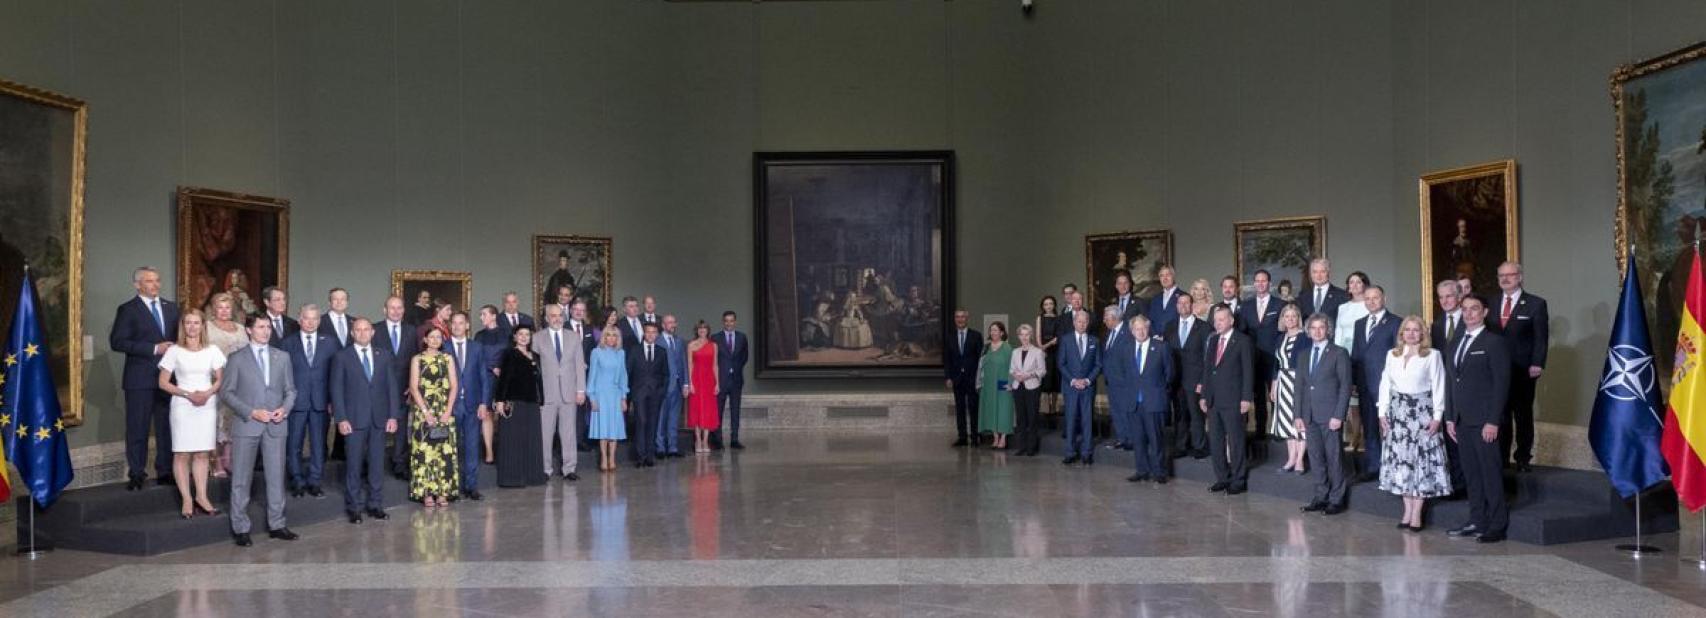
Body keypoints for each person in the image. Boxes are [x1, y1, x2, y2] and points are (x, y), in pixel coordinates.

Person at [219, 314, 298, 546]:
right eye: (261, 327)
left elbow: (291, 390)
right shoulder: (237, 359)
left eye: (269, 327)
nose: (266, 331)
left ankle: (277, 524)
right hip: (247, 424)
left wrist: (284, 409)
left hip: (276, 425)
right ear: (249, 330)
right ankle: (241, 528)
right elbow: (226, 393)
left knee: (276, 477)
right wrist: (251, 411)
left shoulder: (282, 357)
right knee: (242, 479)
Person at [1445, 295, 1511, 543]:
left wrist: (1493, 420)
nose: (1469, 314)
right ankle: (1477, 520)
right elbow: (1452, 382)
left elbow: (1501, 385)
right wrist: (1450, 417)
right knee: (1471, 474)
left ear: (1484, 312)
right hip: (1461, 421)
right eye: (1465, 310)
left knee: (1490, 473)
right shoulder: (1455, 343)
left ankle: (1496, 524)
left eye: (1474, 309)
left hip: (1484, 421)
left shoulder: (1494, 343)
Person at [1378, 316, 1452, 531]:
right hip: (1398, 414)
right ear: (1401, 334)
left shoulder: (1432, 355)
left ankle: (1417, 514)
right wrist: (1382, 412)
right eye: (1407, 330)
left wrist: (1437, 416)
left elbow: (1439, 386)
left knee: (1420, 463)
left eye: (1416, 330)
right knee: (1402, 463)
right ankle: (1407, 511)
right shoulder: (1392, 355)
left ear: (1423, 333)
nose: (1411, 334)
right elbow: (1385, 384)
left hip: (1422, 414)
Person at [112, 266, 180, 490]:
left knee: (166, 427)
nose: (155, 285)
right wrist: (153, 349)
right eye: (149, 281)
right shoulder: (128, 309)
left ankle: (165, 471)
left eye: (157, 280)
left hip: (168, 378)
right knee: (137, 428)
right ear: (137, 284)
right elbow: (118, 342)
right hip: (139, 379)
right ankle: (137, 473)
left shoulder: (172, 308)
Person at [330, 318, 401, 523]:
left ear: (372, 332)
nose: (362, 333)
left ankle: (375, 504)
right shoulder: (342, 357)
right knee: (353, 465)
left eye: (366, 329)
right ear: (352, 334)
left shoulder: (384, 355)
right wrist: (341, 418)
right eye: (358, 330)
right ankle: (354, 507)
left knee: (377, 464)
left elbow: (392, 388)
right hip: (353, 420)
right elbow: (336, 390)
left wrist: (393, 416)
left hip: (379, 418)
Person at [157, 310, 225, 518]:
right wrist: (188, 394)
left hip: (206, 404)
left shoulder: (212, 350)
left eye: (196, 323)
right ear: (183, 326)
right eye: (189, 323)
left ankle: (202, 496)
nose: (193, 327)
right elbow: (163, 382)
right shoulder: (174, 351)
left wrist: (206, 393)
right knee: (182, 453)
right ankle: (187, 498)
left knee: (202, 452)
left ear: (203, 325)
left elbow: (219, 380)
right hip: (183, 405)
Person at [1493, 261, 1548, 472]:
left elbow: (1541, 338)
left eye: (1509, 275)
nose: (1505, 279)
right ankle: (1502, 457)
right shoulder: (1491, 302)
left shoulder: (1535, 304)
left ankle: (1523, 457)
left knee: (1523, 415)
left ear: (1520, 277)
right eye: (1501, 276)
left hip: (1524, 370)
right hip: (1497, 371)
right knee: (1501, 415)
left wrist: (1537, 362)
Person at [1295, 313, 1352, 515]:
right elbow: (1300, 387)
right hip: (1309, 415)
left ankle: (1337, 499)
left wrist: (1339, 415)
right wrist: (1298, 415)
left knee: (1334, 458)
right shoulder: (1303, 355)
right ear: (1308, 331)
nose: (1317, 331)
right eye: (1313, 328)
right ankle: (1321, 496)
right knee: (1316, 457)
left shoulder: (1339, 353)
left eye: (1321, 327)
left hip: (1330, 416)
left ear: (1328, 330)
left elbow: (1345, 386)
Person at [281, 304, 335, 498]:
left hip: (321, 403)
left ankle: (315, 481)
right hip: (296, 403)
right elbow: (283, 375)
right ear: (299, 319)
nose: (311, 322)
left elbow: (334, 376)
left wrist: (332, 401)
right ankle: (296, 481)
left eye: (315, 318)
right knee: (293, 444)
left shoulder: (330, 342)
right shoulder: (287, 343)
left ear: (319, 321)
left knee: (318, 444)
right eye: (307, 318)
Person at [1198, 304, 1252, 494]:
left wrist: (1246, 398)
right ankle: (1222, 477)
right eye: (1215, 320)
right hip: (1213, 400)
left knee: (1236, 442)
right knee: (1216, 440)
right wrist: (1204, 395)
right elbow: (1207, 370)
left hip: (1234, 400)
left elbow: (1248, 372)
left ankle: (1238, 480)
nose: (1217, 323)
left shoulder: (1243, 341)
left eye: (1221, 319)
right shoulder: (1212, 341)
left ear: (1231, 320)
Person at [1351, 285, 1400, 483]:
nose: (1371, 301)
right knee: (1370, 427)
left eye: (1375, 298)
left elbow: (1399, 355)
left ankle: (1393, 468)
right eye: (1368, 298)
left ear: (1384, 299)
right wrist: (1354, 381)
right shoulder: (1359, 323)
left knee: (1390, 428)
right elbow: (1356, 354)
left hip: (1388, 386)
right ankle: (1374, 467)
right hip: (1364, 384)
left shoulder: (1396, 322)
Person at [407, 326, 460, 507]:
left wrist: (447, 411)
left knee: (443, 452)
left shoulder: (447, 358)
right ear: (425, 339)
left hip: (444, 410)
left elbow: (454, 385)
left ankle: (443, 492)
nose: (435, 340)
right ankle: (426, 493)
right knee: (424, 452)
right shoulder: (417, 359)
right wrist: (425, 412)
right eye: (432, 337)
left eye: (439, 337)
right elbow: (413, 387)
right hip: (424, 410)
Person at [533, 304, 587, 481]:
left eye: (559, 316)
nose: (557, 319)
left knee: (568, 432)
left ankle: (569, 468)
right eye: (553, 316)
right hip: (546, 394)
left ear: (564, 318)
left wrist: (581, 390)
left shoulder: (573, 337)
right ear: (547, 318)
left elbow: (579, 365)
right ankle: (545, 469)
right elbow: (533, 368)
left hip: (569, 392)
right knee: (545, 433)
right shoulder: (537, 338)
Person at [492, 325, 547, 488]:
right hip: (514, 402)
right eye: (520, 334)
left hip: (532, 403)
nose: (524, 337)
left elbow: (539, 381)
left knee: (531, 440)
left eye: (527, 334)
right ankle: (512, 478)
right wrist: (500, 400)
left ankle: (532, 476)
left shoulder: (535, 356)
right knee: (513, 440)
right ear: (515, 337)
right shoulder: (509, 354)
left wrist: (541, 400)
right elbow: (504, 379)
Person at [446, 312, 492, 500]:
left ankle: (471, 486)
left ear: (467, 325)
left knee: (472, 445)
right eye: (454, 323)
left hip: (473, 403)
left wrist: (484, 402)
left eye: (461, 323)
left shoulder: (477, 347)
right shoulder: (443, 346)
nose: (457, 326)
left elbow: (483, 376)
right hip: (451, 404)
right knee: (451, 446)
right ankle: (451, 487)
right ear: (450, 326)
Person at [374, 296, 420, 478]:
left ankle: (399, 465)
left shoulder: (411, 331)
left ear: (404, 310)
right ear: (384, 310)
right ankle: (373, 465)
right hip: (378, 389)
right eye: (392, 308)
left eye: (399, 308)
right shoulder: (374, 330)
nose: (396, 311)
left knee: (401, 428)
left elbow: (415, 359)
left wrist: (412, 384)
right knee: (377, 428)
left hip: (403, 389)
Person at [203, 292, 247, 478]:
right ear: (213, 309)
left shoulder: (240, 328)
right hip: (215, 381)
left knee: (232, 422)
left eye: (227, 307)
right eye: (220, 307)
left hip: (238, 383)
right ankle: (215, 463)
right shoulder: (207, 327)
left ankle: (228, 461)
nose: (224, 311)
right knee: (215, 422)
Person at [1125, 315, 1174, 484]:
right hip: (1134, 402)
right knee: (1138, 439)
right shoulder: (1126, 348)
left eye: (1144, 328)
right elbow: (1123, 373)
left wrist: (1158, 390)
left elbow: (1170, 374)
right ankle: (1142, 470)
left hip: (1154, 401)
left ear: (1149, 328)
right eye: (1137, 329)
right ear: (1132, 331)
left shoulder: (1161, 347)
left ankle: (1159, 471)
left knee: (1156, 439)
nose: (1141, 331)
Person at [1430, 280, 1467, 494]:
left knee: (1462, 437)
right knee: (1449, 436)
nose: (1444, 301)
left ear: (1459, 296)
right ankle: (1455, 483)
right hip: (1445, 388)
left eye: (1449, 296)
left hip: (1466, 388)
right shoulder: (1436, 324)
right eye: (1441, 297)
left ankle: (1466, 484)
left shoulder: (1471, 319)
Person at [1239, 270, 1283, 444]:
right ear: (1254, 284)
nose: (1260, 284)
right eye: (1257, 281)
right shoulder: (1246, 306)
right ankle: (1260, 431)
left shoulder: (1279, 305)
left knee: (1275, 396)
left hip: (1274, 357)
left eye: (1264, 281)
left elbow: (1283, 331)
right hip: (1253, 358)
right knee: (1258, 396)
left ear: (1269, 283)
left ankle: (1278, 430)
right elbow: (1242, 332)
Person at [1165, 293, 1209, 459]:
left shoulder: (1204, 327)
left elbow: (1208, 357)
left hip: (1195, 379)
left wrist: (1203, 381)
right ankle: (1181, 445)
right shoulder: (1169, 327)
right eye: (1180, 303)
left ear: (1192, 305)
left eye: (1186, 303)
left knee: (1196, 414)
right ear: (1176, 306)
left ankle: (1199, 446)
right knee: (1180, 414)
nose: (1183, 306)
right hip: (1176, 379)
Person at [1059, 310, 1100, 466]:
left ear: (1088, 323)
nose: (1082, 324)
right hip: (1071, 387)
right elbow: (1061, 364)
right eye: (1079, 321)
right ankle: (1070, 452)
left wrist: (1088, 380)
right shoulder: (1066, 340)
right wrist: (1073, 380)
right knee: (1070, 420)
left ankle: (1086, 452)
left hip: (1088, 387)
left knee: (1087, 420)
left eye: (1085, 321)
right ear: (1074, 322)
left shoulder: (1094, 341)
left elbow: (1098, 364)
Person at [1269, 304, 1306, 474]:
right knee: (1285, 422)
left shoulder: (1305, 337)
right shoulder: (1279, 338)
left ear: (1298, 318)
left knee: (1299, 421)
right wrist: (1274, 385)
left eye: (1293, 316)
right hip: (1283, 382)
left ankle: (1300, 460)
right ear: (1282, 319)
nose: (1290, 319)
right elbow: (1276, 364)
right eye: (1287, 316)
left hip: (1299, 382)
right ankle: (1291, 458)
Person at [627, 322, 669, 467]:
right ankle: (640, 456)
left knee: (653, 424)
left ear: (657, 334)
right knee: (641, 422)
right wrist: (630, 393)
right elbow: (628, 372)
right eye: (648, 332)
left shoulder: (662, 351)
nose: (651, 335)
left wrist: (662, 391)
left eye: (654, 332)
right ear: (644, 333)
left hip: (656, 394)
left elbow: (666, 374)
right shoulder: (634, 350)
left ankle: (650, 456)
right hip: (639, 393)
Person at [588, 328, 630, 472]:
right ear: (604, 337)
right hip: (601, 394)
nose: (611, 338)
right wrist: (592, 397)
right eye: (608, 335)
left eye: (614, 336)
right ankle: (603, 459)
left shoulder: (621, 353)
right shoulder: (596, 352)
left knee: (614, 428)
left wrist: (624, 397)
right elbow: (592, 376)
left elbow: (623, 376)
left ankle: (612, 457)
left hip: (615, 395)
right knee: (603, 428)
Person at [474, 305, 508, 463]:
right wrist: (491, 367)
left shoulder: (506, 333)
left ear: (494, 316)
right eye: (481, 315)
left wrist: (502, 367)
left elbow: (510, 354)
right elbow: (476, 357)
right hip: (485, 377)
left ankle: (504, 450)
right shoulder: (479, 336)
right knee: (487, 414)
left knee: (503, 413)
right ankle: (489, 451)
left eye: (484, 314)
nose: (481, 317)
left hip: (503, 377)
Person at [945, 309, 983, 447]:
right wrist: (948, 377)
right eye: (957, 317)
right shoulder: (950, 337)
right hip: (957, 379)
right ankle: (962, 437)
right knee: (959, 409)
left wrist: (980, 378)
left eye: (962, 317)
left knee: (974, 408)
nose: (960, 319)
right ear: (955, 319)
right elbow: (948, 359)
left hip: (972, 378)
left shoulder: (976, 336)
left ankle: (974, 437)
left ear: (967, 319)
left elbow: (980, 359)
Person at [712, 311, 749, 450]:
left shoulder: (742, 337)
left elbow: (745, 357)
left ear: (735, 322)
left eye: (731, 320)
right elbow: (713, 359)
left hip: (736, 380)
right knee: (718, 411)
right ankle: (717, 440)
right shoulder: (715, 337)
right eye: (726, 321)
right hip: (720, 380)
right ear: (723, 322)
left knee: (735, 410)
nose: (729, 323)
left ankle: (734, 439)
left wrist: (736, 368)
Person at [1009, 323, 1046, 457]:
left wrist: (1028, 375)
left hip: (1032, 387)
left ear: (1031, 336)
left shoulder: (1038, 351)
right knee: (1020, 419)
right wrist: (1016, 376)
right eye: (1022, 335)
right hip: (1018, 387)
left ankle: (1031, 448)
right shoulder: (1015, 352)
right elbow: (1011, 369)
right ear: (1018, 336)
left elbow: (1042, 371)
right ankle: (1021, 447)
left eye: (1027, 334)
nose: (1024, 337)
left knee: (1032, 418)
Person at [976, 322, 1015, 449]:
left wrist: (1010, 383)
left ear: (1002, 332)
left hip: (1003, 383)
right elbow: (980, 367)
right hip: (988, 383)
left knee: (1003, 410)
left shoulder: (1007, 347)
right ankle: (995, 437)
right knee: (990, 409)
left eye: (996, 330)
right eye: (991, 330)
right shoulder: (985, 348)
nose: (993, 333)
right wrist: (979, 383)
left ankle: (1003, 437)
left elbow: (1012, 367)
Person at [1101, 305, 1134, 450]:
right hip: (1111, 380)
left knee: (1126, 411)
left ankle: (1131, 440)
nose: (1104, 321)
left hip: (1124, 381)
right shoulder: (1110, 333)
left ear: (1114, 318)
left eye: (1106, 318)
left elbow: (1130, 357)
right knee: (1116, 411)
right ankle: (1122, 438)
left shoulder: (1128, 332)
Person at [686, 321, 720, 454]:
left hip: (709, 380)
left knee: (708, 410)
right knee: (696, 409)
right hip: (696, 380)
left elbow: (715, 365)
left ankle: (705, 440)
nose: (702, 331)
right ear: (697, 330)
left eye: (704, 328)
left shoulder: (714, 345)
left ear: (708, 330)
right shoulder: (691, 345)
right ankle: (698, 440)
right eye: (700, 328)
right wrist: (690, 383)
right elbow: (690, 364)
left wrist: (717, 383)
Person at [656, 315, 687, 458]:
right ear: (663, 325)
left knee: (674, 418)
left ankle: (673, 447)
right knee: (661, 418)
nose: (672, 325)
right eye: (669, 323)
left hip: (678, 386)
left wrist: (686, 383)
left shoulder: (679, 341)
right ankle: (660, 447)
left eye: (674, 322)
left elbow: (683, 363)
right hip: (663, 386)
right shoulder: (657, 341)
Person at [570, 300, 598, 452]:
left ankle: (579, 440)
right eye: (576, 309)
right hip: (567, 375)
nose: (579, 312)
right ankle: (566, 442)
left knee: (581, 408)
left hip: (585, 374)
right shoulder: (564, 327)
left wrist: (586, 363)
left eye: (582, 310)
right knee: (567, 409)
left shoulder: (588, 329)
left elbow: (592, 350)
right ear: (571, 310)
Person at [1296, 258, 1351, 322]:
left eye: (1322, 271)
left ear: (1328, 273)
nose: (1318, 275)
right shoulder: (1303, 296)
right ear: (1311, 274)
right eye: (1315, 272)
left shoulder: (1341, 295)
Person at [1035, 295, 1061, 414]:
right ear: (1042, 306)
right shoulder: (1040, 318)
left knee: (1055, 381)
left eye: (1050, 304)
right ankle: (1045, 410)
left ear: (1054, 305)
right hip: (1044, 354)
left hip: (1057, 352)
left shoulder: (1059, 318)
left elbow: (1060, 338)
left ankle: (1054, 409)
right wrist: (1049, 343)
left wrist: (1054, 343)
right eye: (1046, 304)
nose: (1048, 306)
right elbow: (1039, 342)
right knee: (1045, 381)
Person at [1332, 271, 1370, 351]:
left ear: (1365, 286)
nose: (1355, 285)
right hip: (1344, 348)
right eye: (1351, 282)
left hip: (1363, 349)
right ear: (1348, 287)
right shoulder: (1342, 307)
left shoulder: (1370, 305)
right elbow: (1339, 331)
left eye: (1358, 282)